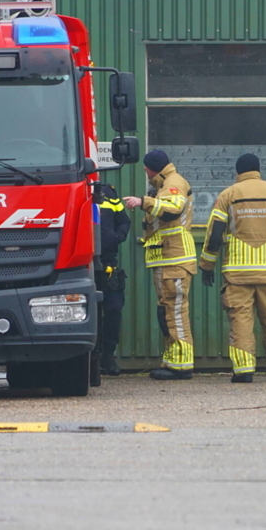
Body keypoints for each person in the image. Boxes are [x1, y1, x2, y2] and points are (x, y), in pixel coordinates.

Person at [198, 153, 266, 382]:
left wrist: (207, 266)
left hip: (238, 273)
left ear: (238, 172)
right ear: (258, 170)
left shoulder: (228, 195)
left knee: (241, 320)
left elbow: (215, 236)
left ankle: (244, 371)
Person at [123, 150, 197, 380]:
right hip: (167, 258)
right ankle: (173, 361)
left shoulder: (173, 183)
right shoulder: (163, 184)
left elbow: (172, 210)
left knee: (174, 312)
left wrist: (143, 202)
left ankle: (181, 365)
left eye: (146, 167)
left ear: (153, 167)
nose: (144, 170)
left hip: (175, 258)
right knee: (166, 311)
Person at [93, 177, 131, 381]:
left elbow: (124, 221)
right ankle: (93, 357)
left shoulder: (109, 192)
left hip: (108, 266)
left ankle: (108, 356)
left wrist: (117, 237)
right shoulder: (72, 188)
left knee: (114, 310)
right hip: (81, 265)